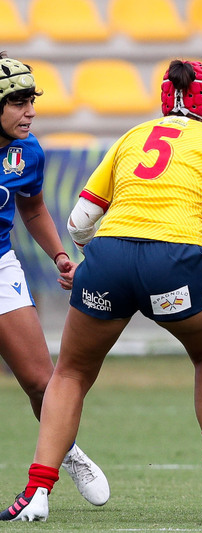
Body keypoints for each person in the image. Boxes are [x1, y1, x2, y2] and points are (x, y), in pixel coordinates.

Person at [0, 59, 202, 522]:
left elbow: (80, 220)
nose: (30, 112)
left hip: (109, 263)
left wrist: (82, 258)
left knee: (68, 374)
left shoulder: (131, 136)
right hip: (173, 269)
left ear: (165, 97)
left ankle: (37, 491)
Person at [0, 52, 110, 513]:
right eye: (18, 102)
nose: (30, 112)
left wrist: (62, 255)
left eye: (31, 101)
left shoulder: (28, 152)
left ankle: (67, 451)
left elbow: (31, 208)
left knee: (41, 383)